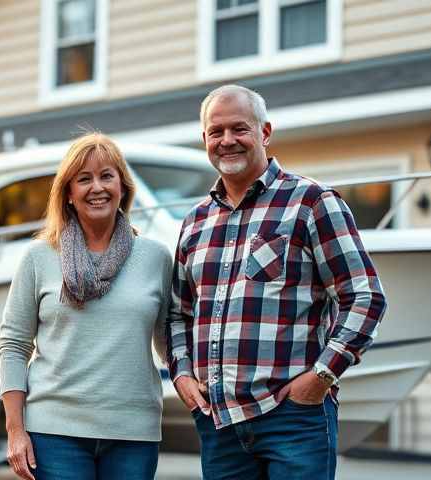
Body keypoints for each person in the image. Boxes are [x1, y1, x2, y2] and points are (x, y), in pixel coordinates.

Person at [166, 84, 387, 480]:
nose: (227, 141)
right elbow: (177, 314)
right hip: (219, 425)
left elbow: (365, 297)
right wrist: (182, 374)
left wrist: (321, 376)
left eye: (239, 129)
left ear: (265, 133)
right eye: (216, 132)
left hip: (294, 419)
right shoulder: (195, 222)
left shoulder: (312, 202)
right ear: (205, 140)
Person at [0, 133, 171, 480]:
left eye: (107, 176)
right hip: (55, 434)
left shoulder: (156, 257)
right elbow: (14, 345)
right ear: (69, 195)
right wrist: (16, 431)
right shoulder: (38, 257)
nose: (97, 187)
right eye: (84, 179)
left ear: (122, 187)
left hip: (133, 433)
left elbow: (171, 341)